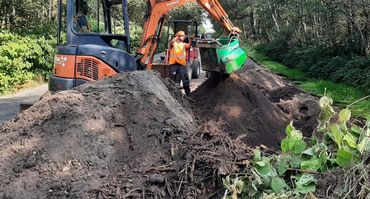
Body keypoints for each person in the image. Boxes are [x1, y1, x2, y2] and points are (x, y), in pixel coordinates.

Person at [169, 31, 193, 95]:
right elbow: (171, 43)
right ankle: (170, 93)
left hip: (181, 65)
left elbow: (188, 45)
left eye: (183, 36)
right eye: (182, 36)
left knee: (185, 80)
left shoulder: (184, 44)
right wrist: (176, 36)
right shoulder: (174, 43)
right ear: (178, 36)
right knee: (171, 79)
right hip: (174, 64)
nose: (183, 37)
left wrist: (191, 40)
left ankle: (188, 93)